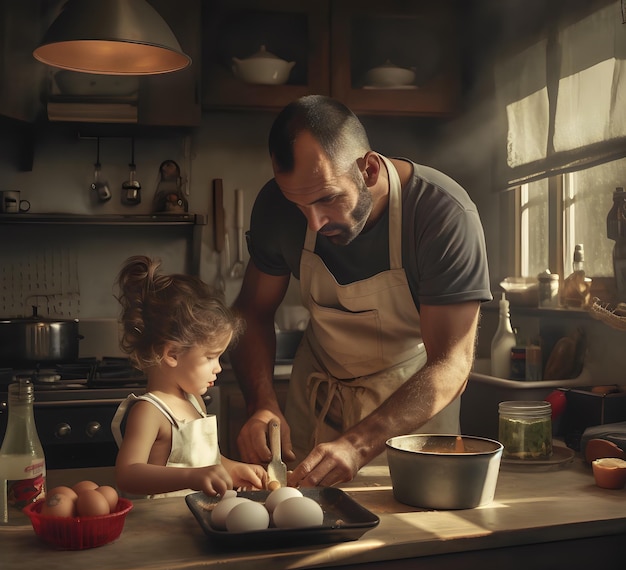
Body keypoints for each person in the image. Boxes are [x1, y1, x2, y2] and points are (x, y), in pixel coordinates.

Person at [229, 95, 492, 488]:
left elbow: (452, 363)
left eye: (327, 199)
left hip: (411, 407)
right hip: (316, 396)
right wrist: (262, 403)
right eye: (298, 205)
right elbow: (252, 312)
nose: (314, 223)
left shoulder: (442, 216)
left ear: (368, 168)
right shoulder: (276, 207)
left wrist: (358, 443)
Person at [112, 255, 267, 498]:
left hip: (195, 521)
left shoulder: (193, 401)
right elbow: (128, 475)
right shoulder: (150, 410)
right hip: (164, 527)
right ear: (172, 354)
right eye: (210, 357)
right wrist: (192, 477)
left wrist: (233, 468)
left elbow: (204, 460)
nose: (218, 368)